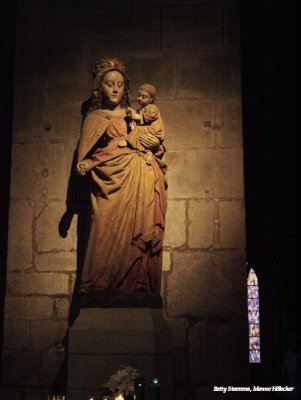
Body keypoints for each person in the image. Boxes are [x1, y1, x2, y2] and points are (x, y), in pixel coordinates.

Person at [75, 58, 167, 302]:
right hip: (109, 182)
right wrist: (88, 163)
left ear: (125, 88)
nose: (115, 89)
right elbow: (86, 154)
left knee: (139, 233)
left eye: (119, 84)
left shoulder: (134, 115)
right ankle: (96, 287)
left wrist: (154, 146)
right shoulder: (95, 118)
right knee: (102, 227)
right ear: (99, 88)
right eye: (109, 84)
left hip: (140, 179)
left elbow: (155, 141)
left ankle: (137, 286)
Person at [126, 84, 164, 164]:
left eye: (143, 97)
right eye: (139, 96)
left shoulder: (152, 107)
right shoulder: (140, 109)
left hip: (153, 131)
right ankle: (148, 153)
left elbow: (146, 118)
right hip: (146, 132)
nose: (140, 99)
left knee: (138, 129)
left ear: (151, 99)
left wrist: (135, 115)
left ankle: (128, 141)